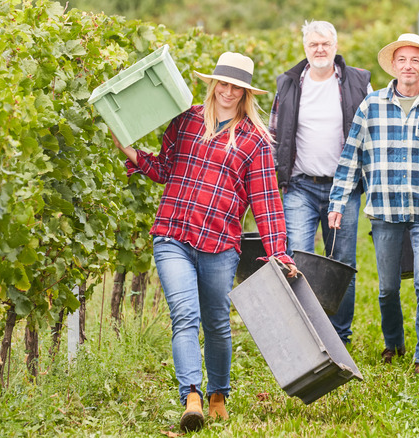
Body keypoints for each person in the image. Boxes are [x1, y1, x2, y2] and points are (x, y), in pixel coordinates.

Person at [111, 52, 298, 432]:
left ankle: (218, 394)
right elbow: (165, 169)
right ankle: (191, 396)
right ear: (213, 84)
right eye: (222, 83)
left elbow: (266, 202)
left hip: (219, 243)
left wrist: (278, 251)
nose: (227, 91)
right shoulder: (187, 120)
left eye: (236, 87)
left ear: (246, 93)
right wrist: (128, 150)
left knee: (216, 322)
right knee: (185, 315)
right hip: (173, 234)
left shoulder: (256, 141)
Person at [328, 34, 419, 376]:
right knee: (388, 287)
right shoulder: (371, 106)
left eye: (415, 60)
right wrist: (337, 201)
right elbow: (350, 158)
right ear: (394, 66)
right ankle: (393, 342)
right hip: (384, 210)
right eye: (402, 60)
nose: (409, 66)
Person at [269, 20, 371, 344]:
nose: (320, 49)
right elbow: (274, 136)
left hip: (344, 189)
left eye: (325, 43)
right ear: (305, 48)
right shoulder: (287, 84)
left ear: (336, 46)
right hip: (300, 186)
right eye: (313, 44)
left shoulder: (357, 82)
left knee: (342, 262)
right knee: (297, 256)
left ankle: (339, 336)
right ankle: (304, 334)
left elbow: (372, 134)